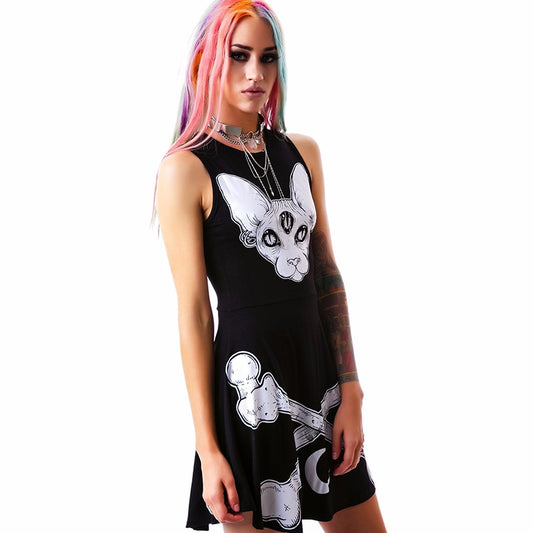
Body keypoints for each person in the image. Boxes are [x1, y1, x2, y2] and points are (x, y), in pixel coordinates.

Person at [151, 1, 387, 531]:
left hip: (320, 378)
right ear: (205, 62)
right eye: (238, 56)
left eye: (268, 57)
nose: (255, 73)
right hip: (251, 393)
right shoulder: (185, 170)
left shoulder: (302, 152)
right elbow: (194, 314)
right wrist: (208, 449)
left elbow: (326, 276)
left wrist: (351, 388)